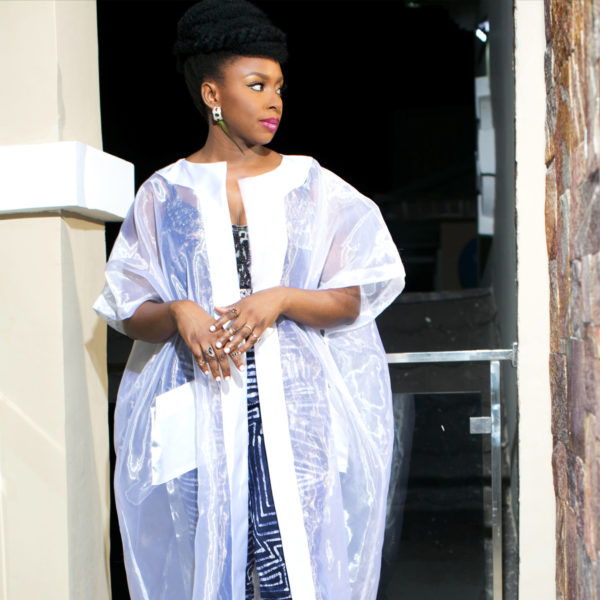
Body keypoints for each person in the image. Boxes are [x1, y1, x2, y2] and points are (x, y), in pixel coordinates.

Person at [94, 1, 405, 598]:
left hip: (297, 417)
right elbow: (128, 310)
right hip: (200, 412)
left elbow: (353, 297)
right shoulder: (166, 194)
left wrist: (281, 298)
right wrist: (178, 311)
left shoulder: (310, 184)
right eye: (257, 85)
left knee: (298, 575)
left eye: (279, 88)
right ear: (212, 93)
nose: (274, 102)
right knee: (211, 568)